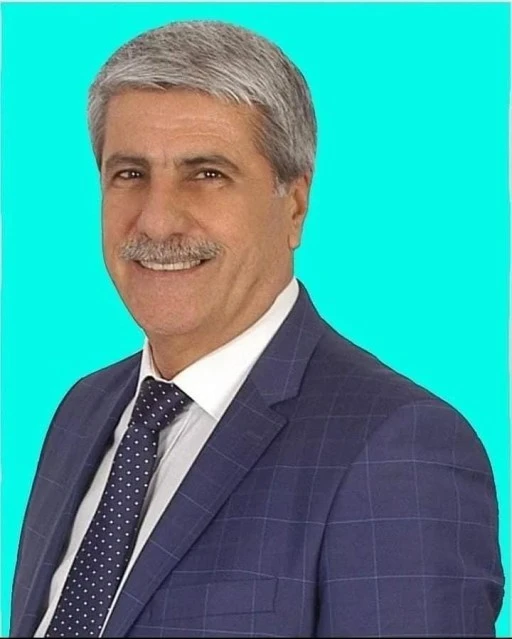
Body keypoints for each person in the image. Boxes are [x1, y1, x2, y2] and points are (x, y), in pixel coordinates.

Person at [10, 19, 504, 638]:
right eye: (130, 174)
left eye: (207, 174)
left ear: (294, 205)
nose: (157, 221)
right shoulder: (83, 411)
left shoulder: (397, 450)